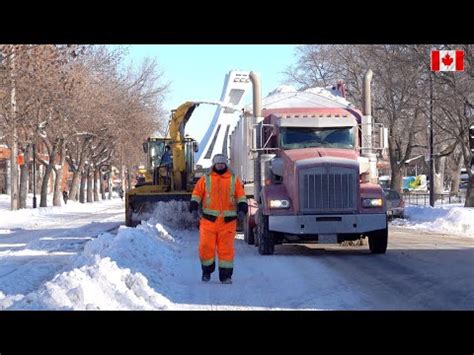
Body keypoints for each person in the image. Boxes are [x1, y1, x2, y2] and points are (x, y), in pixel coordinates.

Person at [189, 154, 248, 284]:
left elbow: (241, 196)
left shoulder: (234, 179)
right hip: (209, 221)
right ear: (214, 164)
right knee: (205, 248)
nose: (220, 165)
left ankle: (226, 276)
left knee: (226, 250)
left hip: (228, 222)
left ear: (225, 164)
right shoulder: (206, 179)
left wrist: (243, 209)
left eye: (222, 163)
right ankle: (206, 272)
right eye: (218, 163)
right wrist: (193, 206)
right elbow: (197, 193)